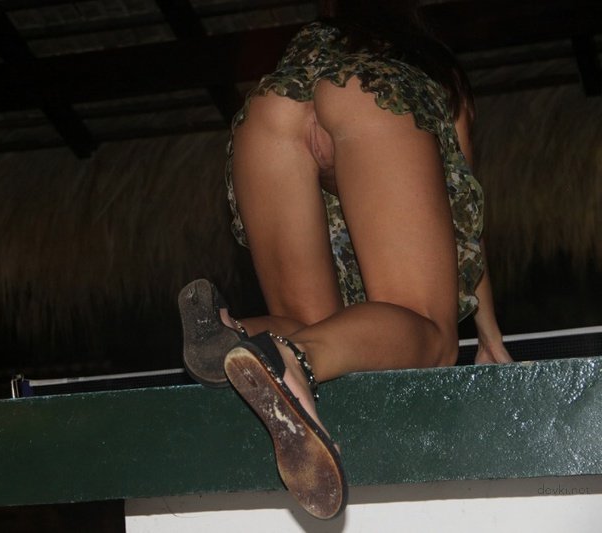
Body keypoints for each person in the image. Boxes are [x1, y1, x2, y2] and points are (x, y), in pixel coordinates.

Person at [178, 0, 512, 520]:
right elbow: (462, 214)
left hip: (270, 111)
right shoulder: (427, 62)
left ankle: (225, 332)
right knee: (430, 331)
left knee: (311, 323)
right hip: (369, 98)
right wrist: (489, 338)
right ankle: (291, 361)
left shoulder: (314, 43)